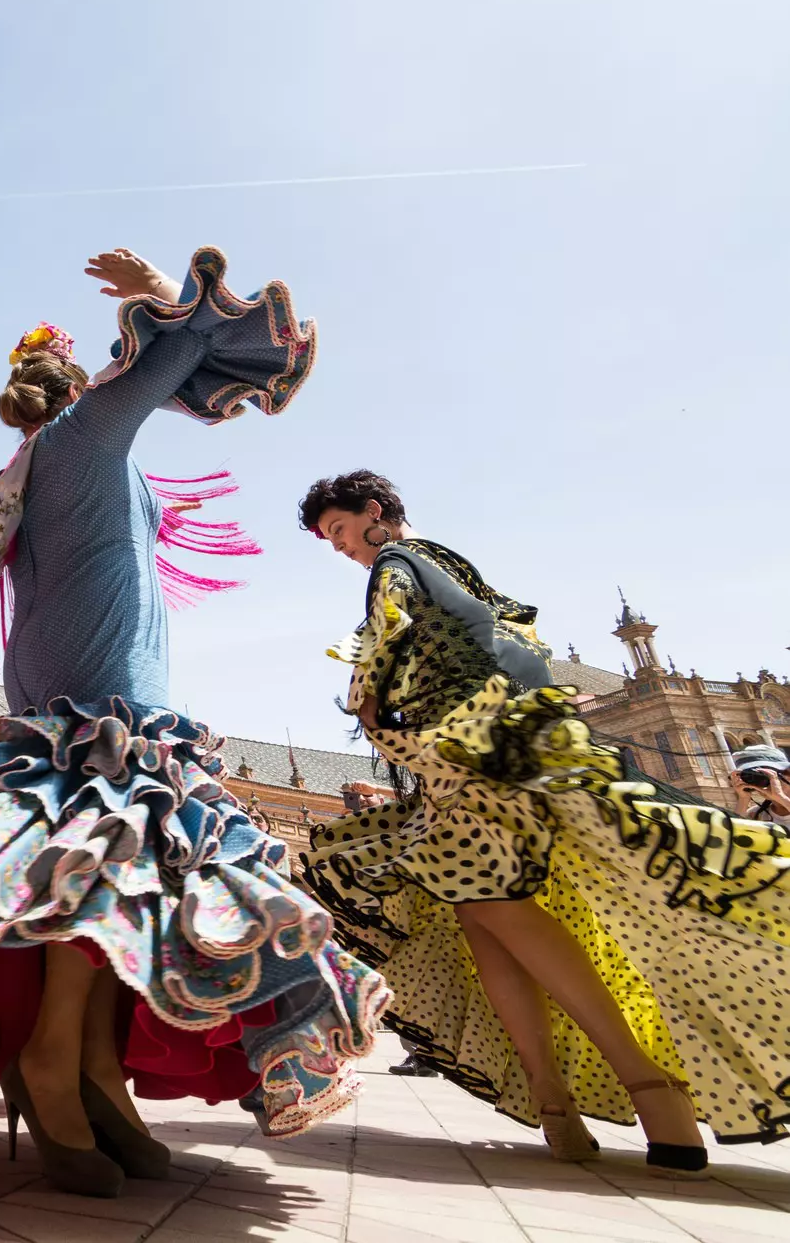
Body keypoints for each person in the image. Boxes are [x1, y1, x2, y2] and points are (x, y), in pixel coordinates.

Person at [0, 249, 386, 1198]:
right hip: (104, 679)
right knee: (106, 857)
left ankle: (91, 1068)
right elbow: (185, 351)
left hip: (83, 669)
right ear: (79, 388)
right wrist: (155, 301)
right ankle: (57, 1059)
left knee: (98, 869)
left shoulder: (32, 465)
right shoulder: (87, 437)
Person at [298, 470, 790, 1177]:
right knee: (480, 917)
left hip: (463, 764)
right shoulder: (450, 560)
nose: (341, 548)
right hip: (499, 755)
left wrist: (367, 702)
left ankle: (648, 1085)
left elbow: (383, 646)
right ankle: (552, 1094)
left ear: (373, 512)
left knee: (496, 909)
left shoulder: (396, 566)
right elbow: (509, 637)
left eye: (340, 531)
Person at [733, 744, 790, 825]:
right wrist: (743, 799)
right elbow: (733, 833)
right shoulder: (756, 814)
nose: (761, 782)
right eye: (757, 777)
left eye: (766, 775)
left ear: (788, 775)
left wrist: (781, 798)